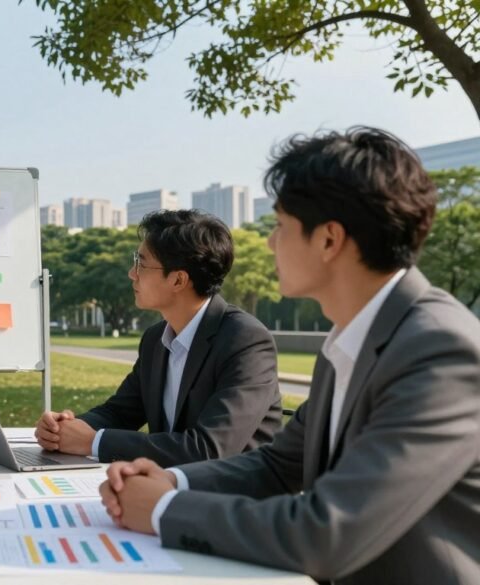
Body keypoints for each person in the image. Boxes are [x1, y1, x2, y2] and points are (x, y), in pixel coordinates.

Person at [100, 127, 480, 584]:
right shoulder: (350, 338)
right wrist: (174, 482)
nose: (268, 244)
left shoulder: (439, 349)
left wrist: (164, 510)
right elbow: (279, 464)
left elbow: (328, 533)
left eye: (280, 226)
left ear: (328, 240)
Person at [34, 209, 282, 465]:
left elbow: (209, 448)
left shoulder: (245, 340)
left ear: (178, 280)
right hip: (170, 489)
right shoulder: (156, 339)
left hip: (235, 498)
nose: (132, 273)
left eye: (141, 263)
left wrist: (94, 441)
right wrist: (64, 429)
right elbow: (120, 411)